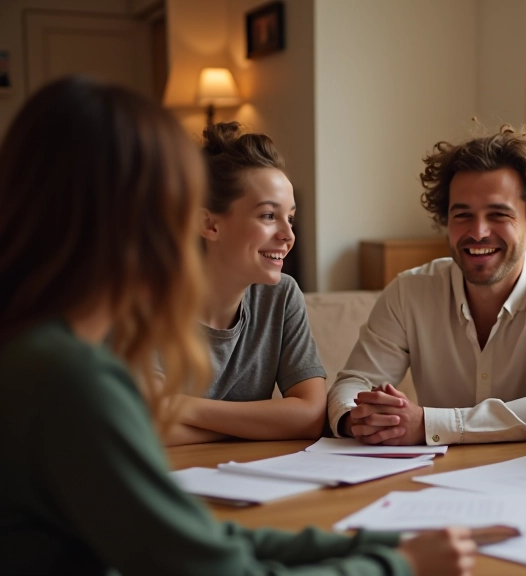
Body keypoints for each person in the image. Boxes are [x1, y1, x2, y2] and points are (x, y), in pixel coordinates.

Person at [0, 76, 475, 575]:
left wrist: (368, 544)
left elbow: (191, 537)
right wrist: (398, 567)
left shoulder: (36, 349)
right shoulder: (70, 377)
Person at [326, 126, 526, 446]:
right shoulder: (409, 293)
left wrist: (429, 424)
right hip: (432, 479)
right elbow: (353, 383)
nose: (478, 231)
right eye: (462, 215)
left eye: (498, 214)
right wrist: (356, 418)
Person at [162, 122, 326, 446]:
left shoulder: (282, 296)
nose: (288, 235)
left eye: (290, 218)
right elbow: (144, 426)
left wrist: (183, 408)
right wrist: (264, 423)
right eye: (268, 216)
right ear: (209, 224)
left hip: (249, 484)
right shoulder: (150, 302)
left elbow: (311, 415)